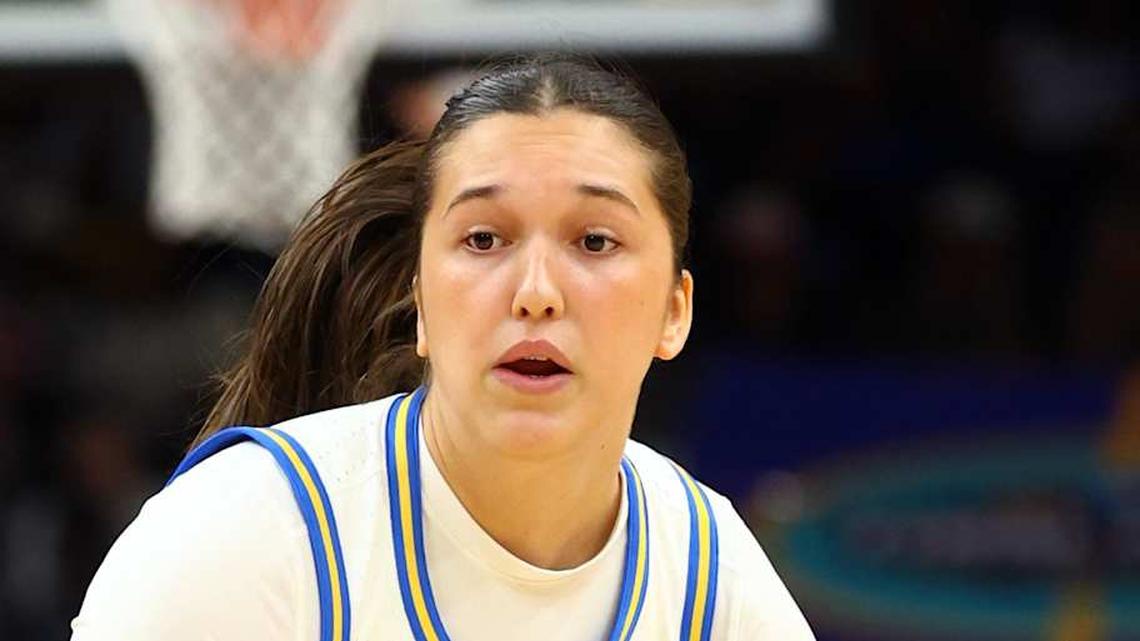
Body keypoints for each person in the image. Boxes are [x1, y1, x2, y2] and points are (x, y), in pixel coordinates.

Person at [69, 57, 815, 641]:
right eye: (483, 239)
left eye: (594, 241)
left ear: (674, 313)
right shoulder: (246, 534)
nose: (536, 292)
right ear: (421, 300)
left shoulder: (710, 572)